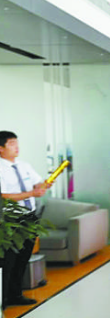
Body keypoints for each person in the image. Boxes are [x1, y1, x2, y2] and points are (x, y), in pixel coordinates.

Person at [0, 131, 50, 308]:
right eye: (12, 143)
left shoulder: (24, 165)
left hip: (29, 217)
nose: (17, 147)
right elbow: (3, 196)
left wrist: (43, 185)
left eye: (17, 143)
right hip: (9, 220)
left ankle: (16, 295)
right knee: (8, 260)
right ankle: (3, 299)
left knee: (23, 257)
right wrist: (31, 193)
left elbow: (37, 183)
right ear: (1, 148)